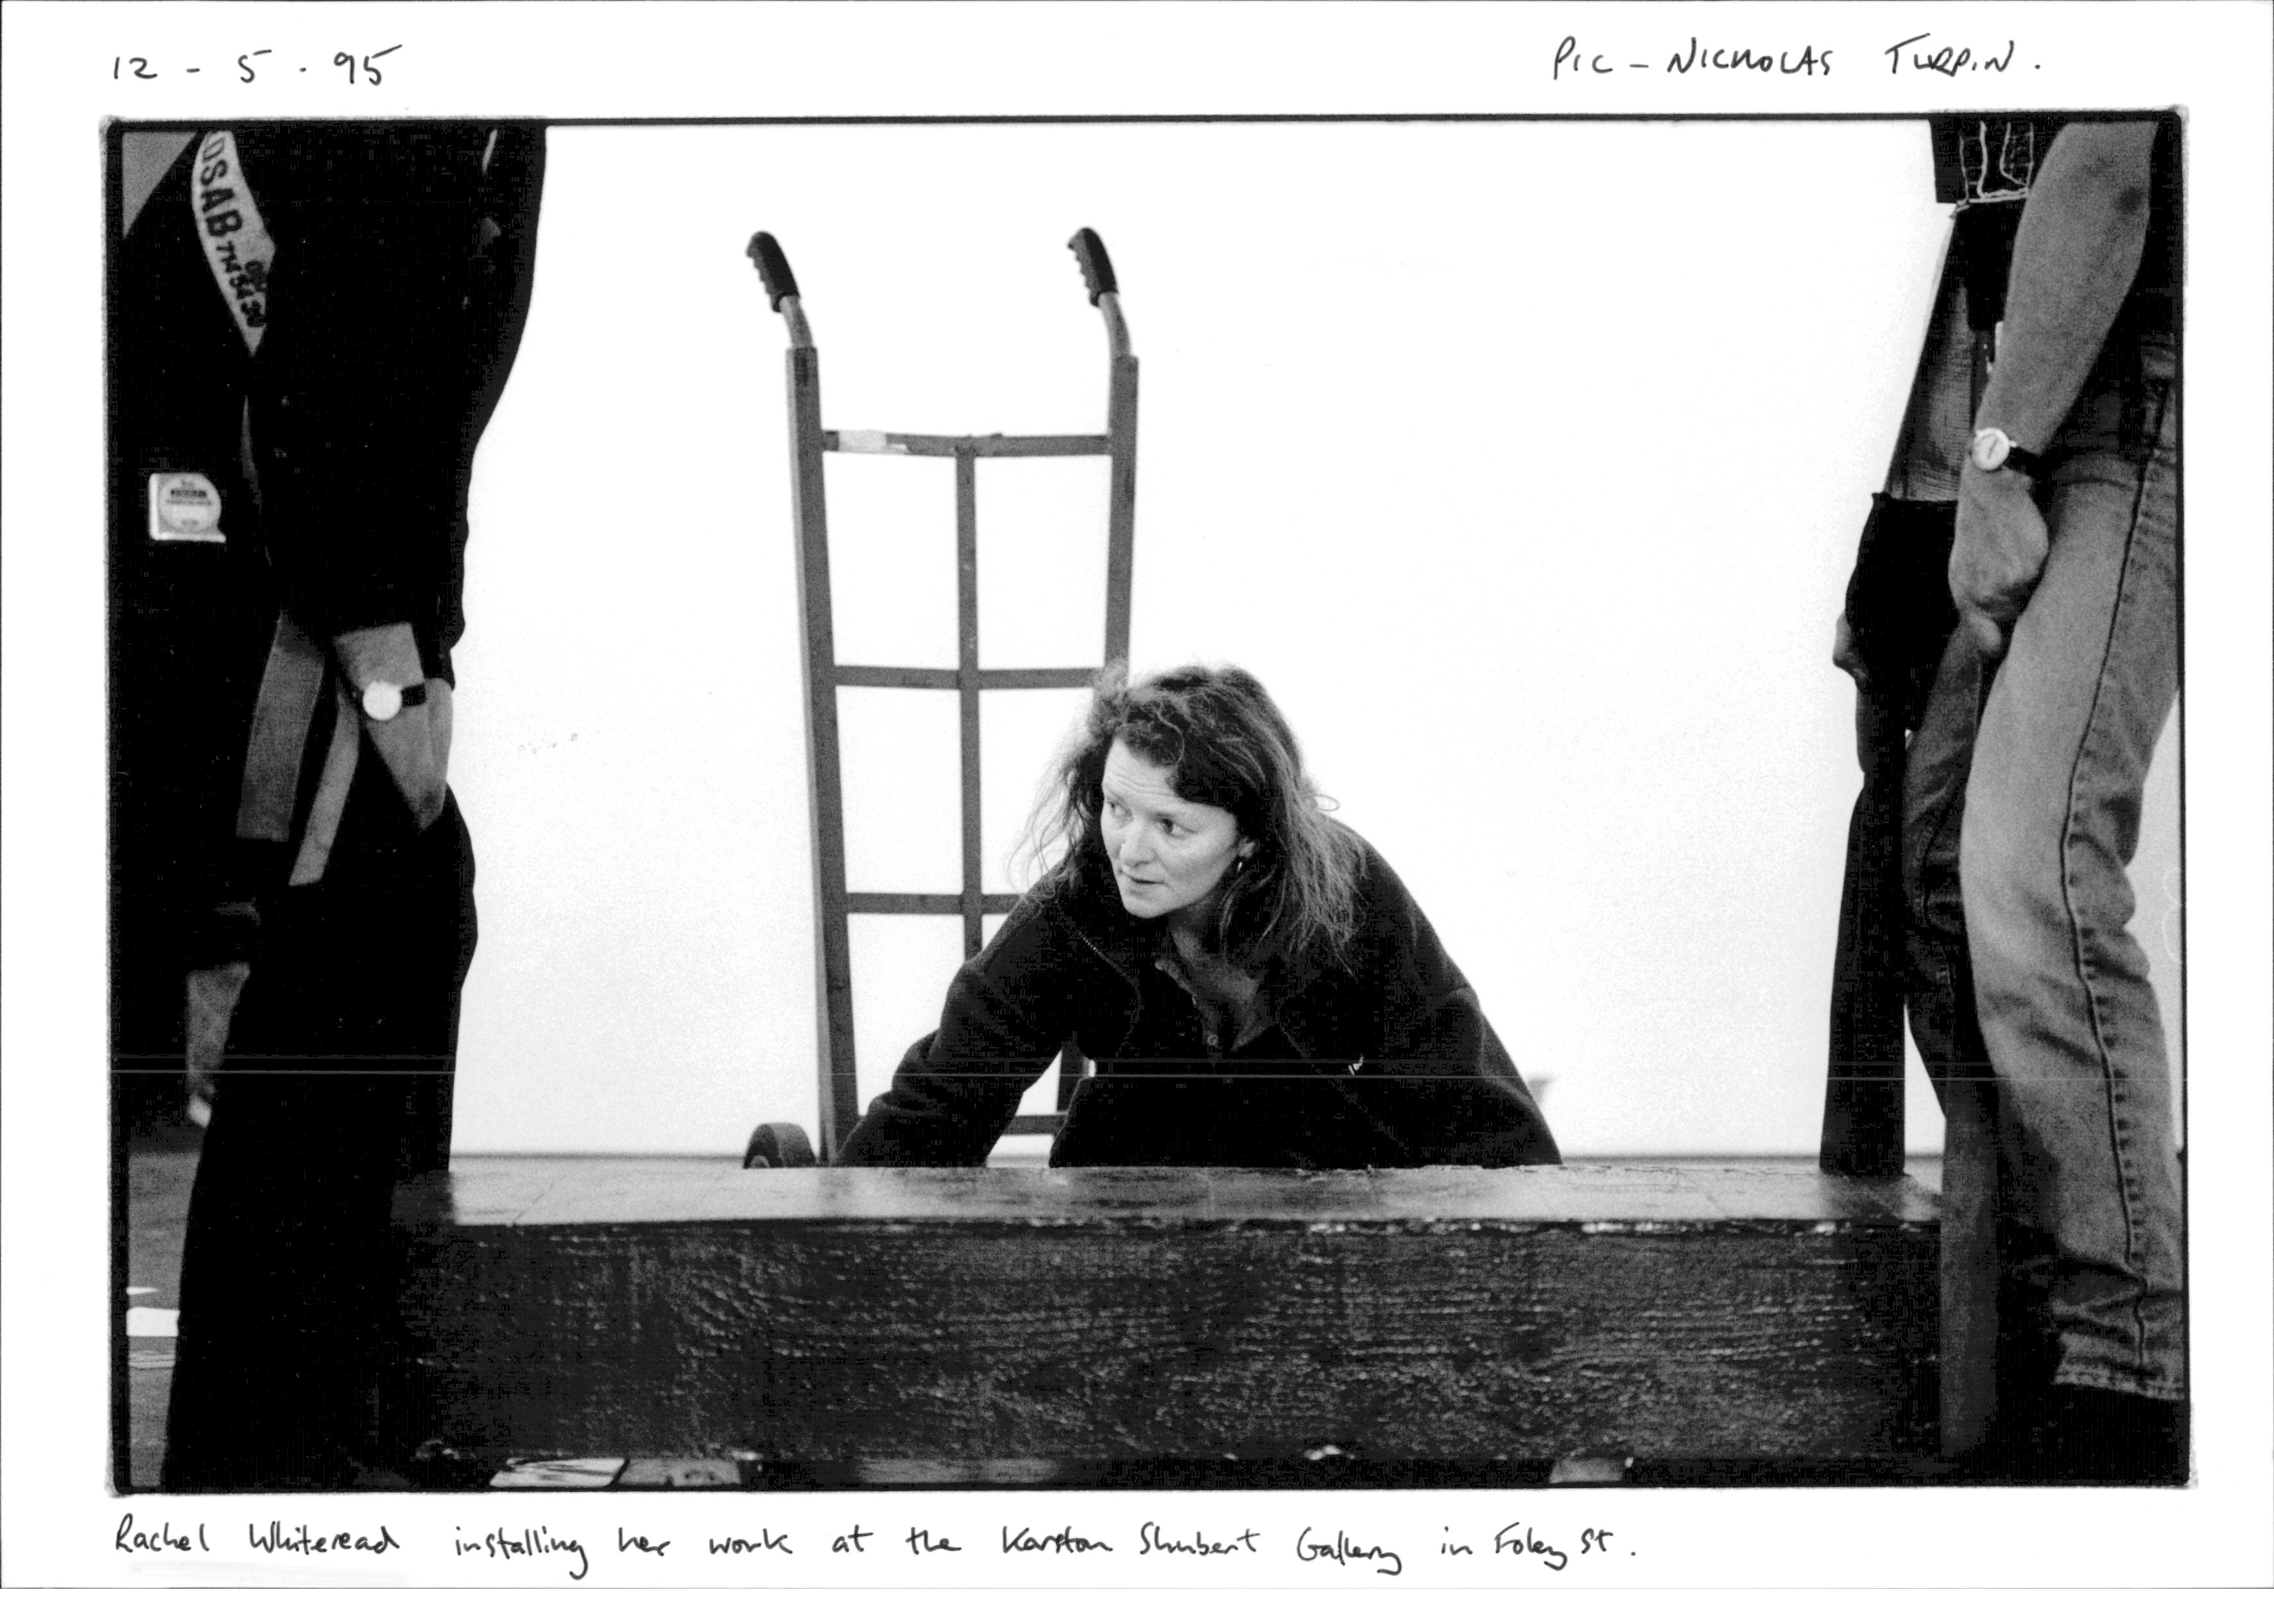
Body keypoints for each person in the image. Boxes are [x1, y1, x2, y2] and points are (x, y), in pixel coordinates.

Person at [111, 123, 545, 1489]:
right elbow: (330, 410)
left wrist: (429, 645)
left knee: (404, 913)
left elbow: (418, 415)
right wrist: (395, 671)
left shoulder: (476, 107)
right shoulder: (404, 106)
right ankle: (275, 1465)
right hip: (229, 570)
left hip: (281, 556)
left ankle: (339, 1417)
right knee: (365, 938)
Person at [1837, 118, 2182, 1482]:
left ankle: (2129, 1381)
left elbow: (2104, 168)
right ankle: (2031, 1333)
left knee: (2030, 869)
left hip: (2133, 397)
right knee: (1930, 877)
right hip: (2015, 402)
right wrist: (1916, 519)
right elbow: (1999, 225)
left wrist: (1996, 469)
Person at [835, 664, 1560, 1170]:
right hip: (1131, 1186)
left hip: (1314, 1193)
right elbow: (944, 1098)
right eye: (1117, 808)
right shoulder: (1074, 908)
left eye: (1171, 826)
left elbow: (1468, 1093)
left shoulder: (1348, 888)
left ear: (1251, 833)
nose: (1129, 849)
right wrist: (829, 1233)